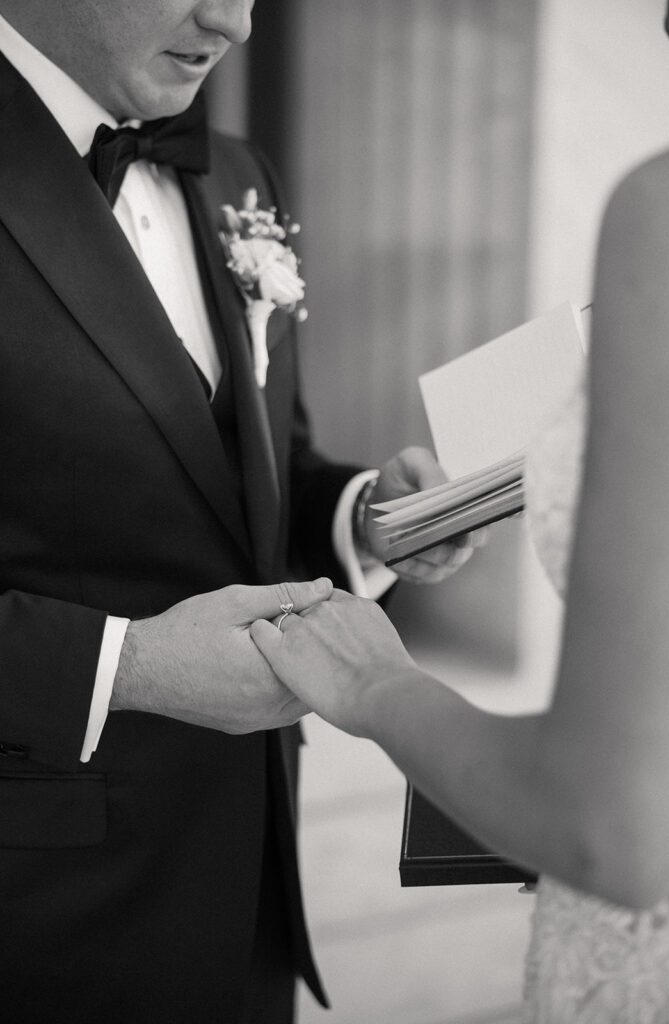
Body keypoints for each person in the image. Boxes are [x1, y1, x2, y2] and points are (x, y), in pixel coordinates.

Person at [0, 1, 477, 1021]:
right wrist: (127, 667)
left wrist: (360, 520)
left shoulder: (237, 171)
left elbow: (247, 475)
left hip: (244, 895)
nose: (232, 22)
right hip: (37, 915)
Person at [251, 2, 669, 1018]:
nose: (662, 20)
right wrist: (368, 521)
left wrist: (375, 686)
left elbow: (607, 829)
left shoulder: (666, 217)